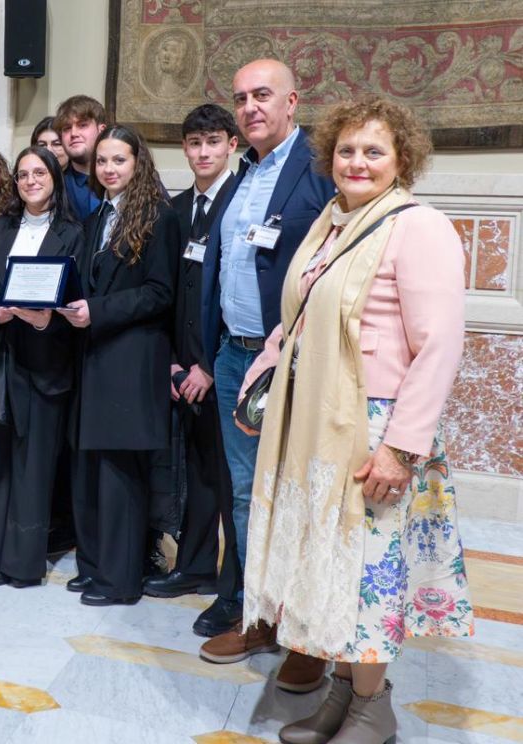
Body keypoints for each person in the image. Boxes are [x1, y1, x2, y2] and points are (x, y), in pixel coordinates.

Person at [238, 97, 471, 744]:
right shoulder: (330, 223)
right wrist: (262, 384)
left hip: (375, 430)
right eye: (346, 150)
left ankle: (374, 710)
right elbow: (299, 321)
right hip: (315, 419)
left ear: (402, 160)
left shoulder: (417, 227)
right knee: (335, 570)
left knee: (369, 573)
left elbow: (440, 344)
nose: (357, 161)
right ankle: (344, 693)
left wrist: (400, 449)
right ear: (328, 158)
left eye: (374, 150)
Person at [198, 59, 335, 690]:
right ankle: (261, 616)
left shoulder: (319, 168)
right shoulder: (244, 173)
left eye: (262, 96)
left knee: (302, 493)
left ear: (292, 101)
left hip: (294, 362)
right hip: (235, 357)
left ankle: (306, 633)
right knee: (248, 491)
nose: (250, 107)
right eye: (241, 98)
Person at [58, 125, 178, 605]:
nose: (109, 169)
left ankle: (121, 581)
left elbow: (160, 293)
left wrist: (98, 311)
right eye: (103, 161)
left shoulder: (159, 217)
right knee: (91, 470)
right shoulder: (99, 216)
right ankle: (94, 568)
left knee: (120, 477)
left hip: (131, 360)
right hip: (94, 358)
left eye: (119, 161)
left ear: (138, 163)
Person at [0, 145, 83, 587]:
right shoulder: (0, 229)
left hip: (47, 357)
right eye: (24, 174)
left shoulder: (73, 231)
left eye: (40, 173)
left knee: (33, 464)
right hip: (1, 354)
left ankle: (20, 563)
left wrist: (49, 316)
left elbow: (79, 290)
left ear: (55, 178)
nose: (31, 181)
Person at [144, 104, 240, 630]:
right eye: (194, 143)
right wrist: (175, 364)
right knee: (199, 473)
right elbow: (170, 294)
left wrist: (207, 365)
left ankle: (235, 586)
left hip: (223, 367)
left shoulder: (240, 201)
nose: (203, 153)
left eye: (213, 143)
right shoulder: (178, 209)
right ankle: (198, 565)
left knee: (231, 483)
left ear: (230, 144)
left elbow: (241, 297)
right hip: (183, 369)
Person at [54, 95, 108, 221]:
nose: (73, 134)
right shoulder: (56, 187)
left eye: (82, 125)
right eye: (67, 128)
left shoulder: (131, 179)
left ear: (101, 130)